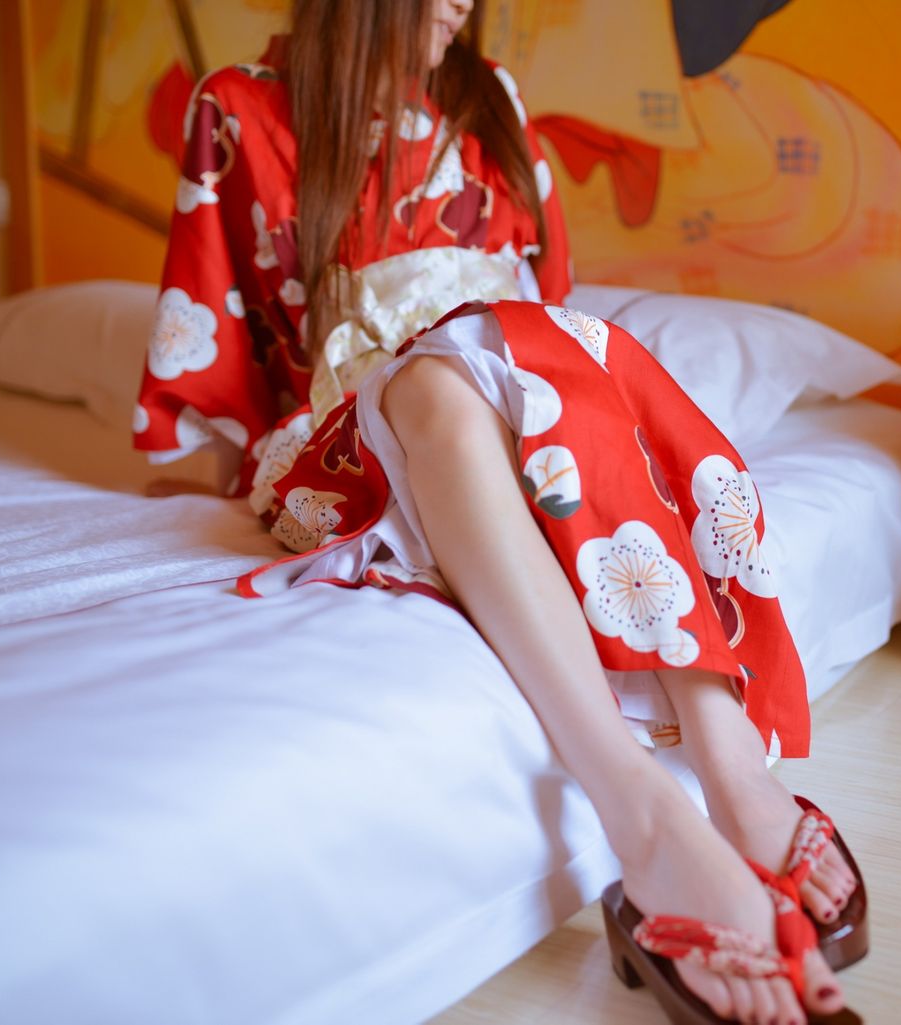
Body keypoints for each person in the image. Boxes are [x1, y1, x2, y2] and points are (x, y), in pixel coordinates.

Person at [135, 2, 863, 1022]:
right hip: (356, 429)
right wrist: (212, 465)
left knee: (546, 355)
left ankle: (731, 763)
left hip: (532, 414)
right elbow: (210, 319)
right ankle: (645, 813)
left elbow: (552, 311)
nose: (463, 5)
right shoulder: (238, 107)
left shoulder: (495, 102)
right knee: (444, 384)